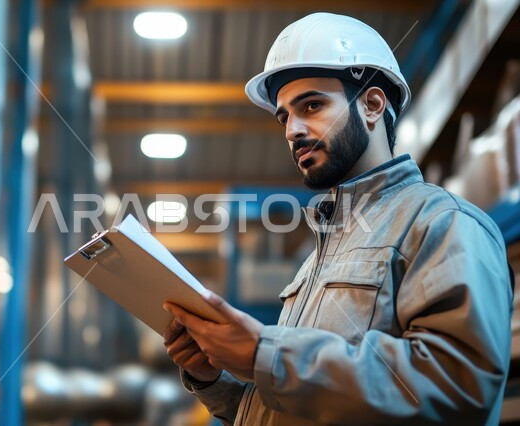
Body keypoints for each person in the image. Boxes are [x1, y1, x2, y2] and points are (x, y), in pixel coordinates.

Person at [162, 12, 514, 425]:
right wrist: (213, 379)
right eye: (284, 117)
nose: (292, 130)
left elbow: (458, 388)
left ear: (371, 104)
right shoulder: (317, 260)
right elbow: (290, 408)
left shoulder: (444, 224)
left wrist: (264, 353)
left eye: (311, 105)